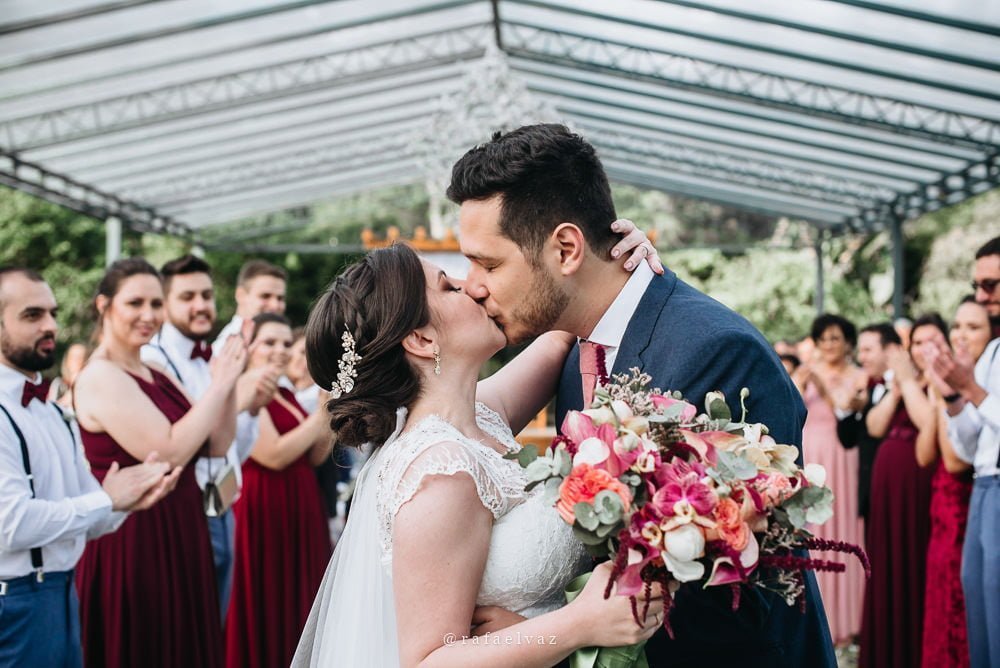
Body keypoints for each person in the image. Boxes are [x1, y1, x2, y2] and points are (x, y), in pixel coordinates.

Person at [447, 124, 835, 667]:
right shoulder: (574, 349)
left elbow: (744, 579)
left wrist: (547, 629)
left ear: (566, 248)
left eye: (489, 263)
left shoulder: (718, 353)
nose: (472, 285)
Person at [293, 241, 667, 667]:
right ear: (420, 338)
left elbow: (560, 333)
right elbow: (427, 660)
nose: (472, 287)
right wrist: (576, 625)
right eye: (448, 287)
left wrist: (610, 260)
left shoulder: (480, 417)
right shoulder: (440, 473)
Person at [0, 267, 178, 668]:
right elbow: (12, 525)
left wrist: (129, 498)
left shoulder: (52, 412)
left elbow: (90, 513)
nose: (50, 326)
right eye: (32, 315)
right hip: (15, 603)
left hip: (64, 595)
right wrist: (106, 500)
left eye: (52, 313)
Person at [73, 258, 246, 668]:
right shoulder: (100, 375)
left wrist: (230, 378)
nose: (149, 315)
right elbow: (168, 451)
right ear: (104, 305)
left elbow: (217, 443)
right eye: (135, 303)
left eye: (155, 304)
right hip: (134, 537)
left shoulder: (153, 370)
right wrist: (219, 385)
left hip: (182, 527)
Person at [140, 254, 278, 621]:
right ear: (165, 304)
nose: (201, 306)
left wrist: (247, 409)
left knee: (213, 625)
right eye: (187, 297)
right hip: (181, 512)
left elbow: (230, 449)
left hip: (222, 505)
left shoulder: (211, 357)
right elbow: (174, 445)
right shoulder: (151, 362)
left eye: (206, 295)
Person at [226, 314, 334, 668]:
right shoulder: (246, 390)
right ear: (250, 346)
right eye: (269, 342)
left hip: (299, 505)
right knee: (269, 600)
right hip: (265, 506)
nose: (279, 351)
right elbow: (273, 454)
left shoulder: (285, 392)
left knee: (296, 602)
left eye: (286, 343)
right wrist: (319, 416)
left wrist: (332, 416)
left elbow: (314, 455)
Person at [928, 236, 1000, 668]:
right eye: (977, 285)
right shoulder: (992, 350)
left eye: (991, 285)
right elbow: (972, 446)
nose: (980, 296)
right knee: (976, 591)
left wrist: (971, 389)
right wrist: (954, 397)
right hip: (984, 484)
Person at [859, 314, 942, 668]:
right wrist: (898, 389)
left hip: (921, 488)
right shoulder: (902, 383)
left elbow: (929, 426)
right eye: (918, 342)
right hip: (888, 493)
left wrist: (908, 384)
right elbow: (875, 426)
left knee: (915, 565)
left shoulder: (938, 384)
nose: (924, 349)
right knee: (887, 566)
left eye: (932, 341)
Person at [919, 298, 990, 668]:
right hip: (956, 502)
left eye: (973, 327)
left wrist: (950, 392)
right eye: (957, 327)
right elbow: (932, 452)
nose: (961, 336)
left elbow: (955, 459)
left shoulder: (987, 376)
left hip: (967, 498)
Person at [791, 313, 867, 645]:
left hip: (843, 456)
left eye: (835, 338)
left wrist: (824, 387)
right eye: (824, 339)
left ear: (848, 342)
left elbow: (850, 414)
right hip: (813, 455)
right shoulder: (808, 371)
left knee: (846, 529)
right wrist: (800, 378)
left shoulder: (859, 375)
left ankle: (850, 620)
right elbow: (791, 405)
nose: (829, 345)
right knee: (815, 531)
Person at [837, 323, 902, 524]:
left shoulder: (907, 387)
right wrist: (850, 408)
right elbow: (848, 440)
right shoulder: (868, 388)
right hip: (871, 493)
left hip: (899, 491)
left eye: (868, 350)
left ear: (889, 350)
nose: (861, 358)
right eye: (860, 351)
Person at [213, 260, 287, 353]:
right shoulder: (226, 346)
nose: (275, 305)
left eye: (280, 298)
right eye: (265, 296)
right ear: (240, 295)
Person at [47, 342, 88, 410]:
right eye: (73, 357)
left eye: (81, 357)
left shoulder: (90, 385)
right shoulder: (59, 384)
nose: (77, 361)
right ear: (67, 361)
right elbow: (51, 409)